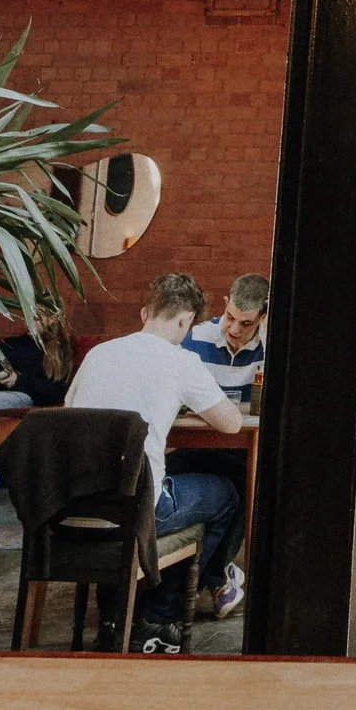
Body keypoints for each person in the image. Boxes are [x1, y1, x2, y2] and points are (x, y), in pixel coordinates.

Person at [66, 273, 251, 649]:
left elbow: (69, 413)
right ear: (185, 320)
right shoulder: (181, 361)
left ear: (144, 313)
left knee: (166, 476)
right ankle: (158, 617)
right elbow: (231, 424)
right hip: (135, 507)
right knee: (226, 495)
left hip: (71, 504)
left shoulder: (97, 355)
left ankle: (115, 615)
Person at [186, 273, 270, 406]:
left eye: (246, 323)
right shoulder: (196, 338)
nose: (234, 330)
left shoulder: (268, 345)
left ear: (263, 317)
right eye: (230, 317)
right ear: (226, 303)